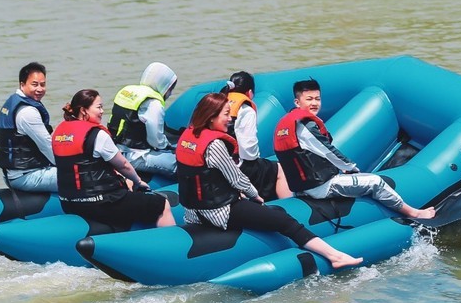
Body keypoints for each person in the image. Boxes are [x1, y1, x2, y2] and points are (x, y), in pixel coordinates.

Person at [177, 92, 362, 270]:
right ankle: (335, 257)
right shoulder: (214, 144)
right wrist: (255, 195)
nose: (230, 119)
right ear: (211, 117)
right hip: (219, 212)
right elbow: (237, 179)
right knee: (284, 221)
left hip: (192, 213)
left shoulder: (188, 138)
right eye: (226, 114)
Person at [274, 78, 436, 220]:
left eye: (317, 98)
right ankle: (414, 213)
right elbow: (327, 150)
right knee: (375, 182)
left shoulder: (287, 125)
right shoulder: (305, 126)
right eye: (309, 99)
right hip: (320, 187)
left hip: (302, 188)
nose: (314, 103)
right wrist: (351, 168)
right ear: (297, 102)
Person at [53, 89, 175, 230]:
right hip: (101, 203)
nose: (102, 111)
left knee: (125, 183)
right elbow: (123, 165)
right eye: (99, 107)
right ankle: (171, 240)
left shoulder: (58, 133)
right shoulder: (98, 135)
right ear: (83, 110)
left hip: (68, 203)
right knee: (161, 204)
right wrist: (138, 181)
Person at [224, 70, 290, 200]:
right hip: (236, 166)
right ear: (249, 92)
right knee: (280, 169)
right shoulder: (246, 110)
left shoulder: (218, 103)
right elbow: (248, 151)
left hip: (216, 162)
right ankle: (288, 206)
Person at [108, 62, 179, 177]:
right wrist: (168, 147)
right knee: (181, 164)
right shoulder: (153, 103)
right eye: (170, 89)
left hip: (115, 151)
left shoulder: (127, 91)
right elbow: (156, 141)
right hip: (136, 156)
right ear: (163, 84)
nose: (170, 93)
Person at [0, 62, 57, 193]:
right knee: (82, 177)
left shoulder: (14, 102)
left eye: (43, 84)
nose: (40, 89)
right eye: (34, 84)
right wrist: (68, 167)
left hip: (15, 174)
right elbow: (46, 145)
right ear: (22, 84)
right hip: (26, 176)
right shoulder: (27, 112)